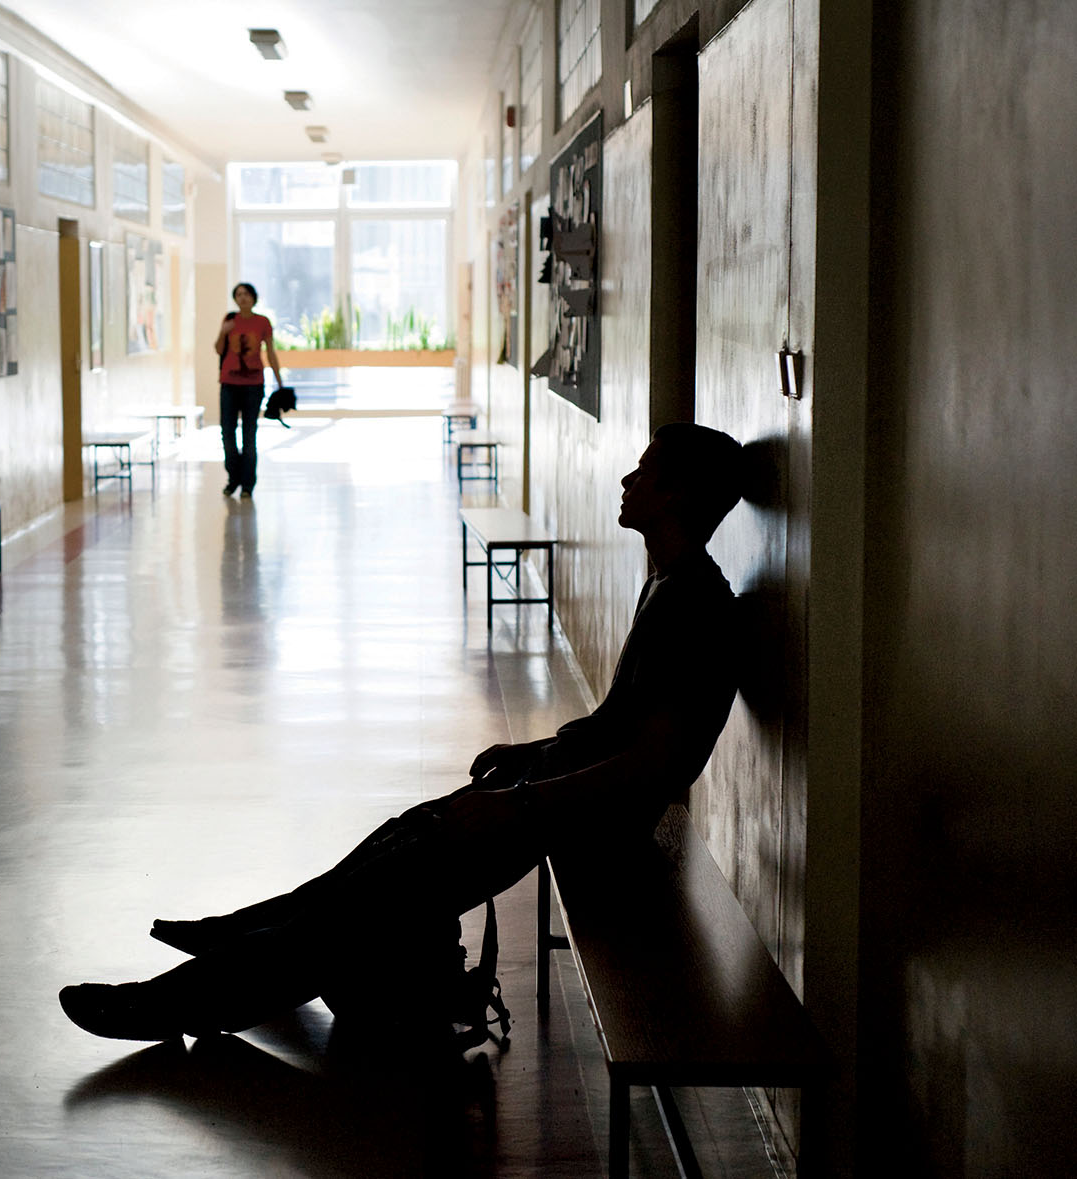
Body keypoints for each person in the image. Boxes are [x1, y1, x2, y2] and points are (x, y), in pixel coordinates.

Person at [59, 422, 747, 1041]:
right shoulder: (671, 582)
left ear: (677, 494)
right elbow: (614, 729)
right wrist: (529, 755)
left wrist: (517, 803)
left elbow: (653, 764)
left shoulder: (693, 605)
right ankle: (242, 938)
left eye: (644, 471)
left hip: (584, 820)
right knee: (398, 841)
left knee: (373, 899)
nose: (627, 480)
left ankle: (173, 1002)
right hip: (555, 796)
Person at [214, 282, 285, 499]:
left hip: (253, 385)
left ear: (253, 298)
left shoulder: (262, 322)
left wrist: (279, 381)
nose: (242, 298)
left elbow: (270, 352)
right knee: (227, 433)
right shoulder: (229, 320)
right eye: (238, 294)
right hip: (229, 383)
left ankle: (247, 484)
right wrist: (223, 332)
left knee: (249, 434)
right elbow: (218, 349)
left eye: (246, 294)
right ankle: (233, 477)